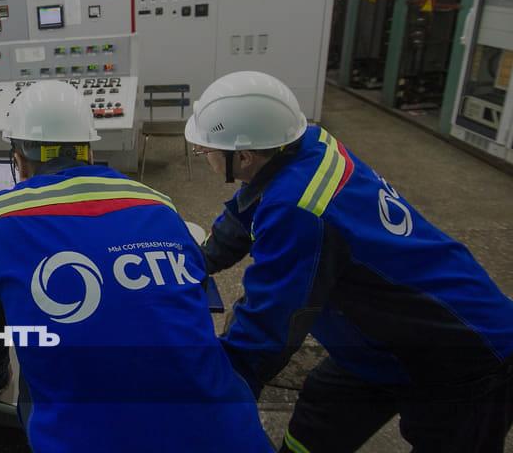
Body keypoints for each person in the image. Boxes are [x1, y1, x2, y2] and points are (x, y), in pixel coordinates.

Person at [185, 71, 513, 452]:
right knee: (317, 423)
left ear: (243, 156)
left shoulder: (299, 210)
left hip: (459, 351)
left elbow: (271, 322)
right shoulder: (303, 144)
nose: (203, 154)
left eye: (207, 149)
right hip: (378, 342)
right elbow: (246, 212)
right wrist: (194, 261)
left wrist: (220, 391)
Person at [0, 80, 271, 451]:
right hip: (228, 431)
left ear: (18, 160)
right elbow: (191, 299)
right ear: (88, 151)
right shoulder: (156, 202)